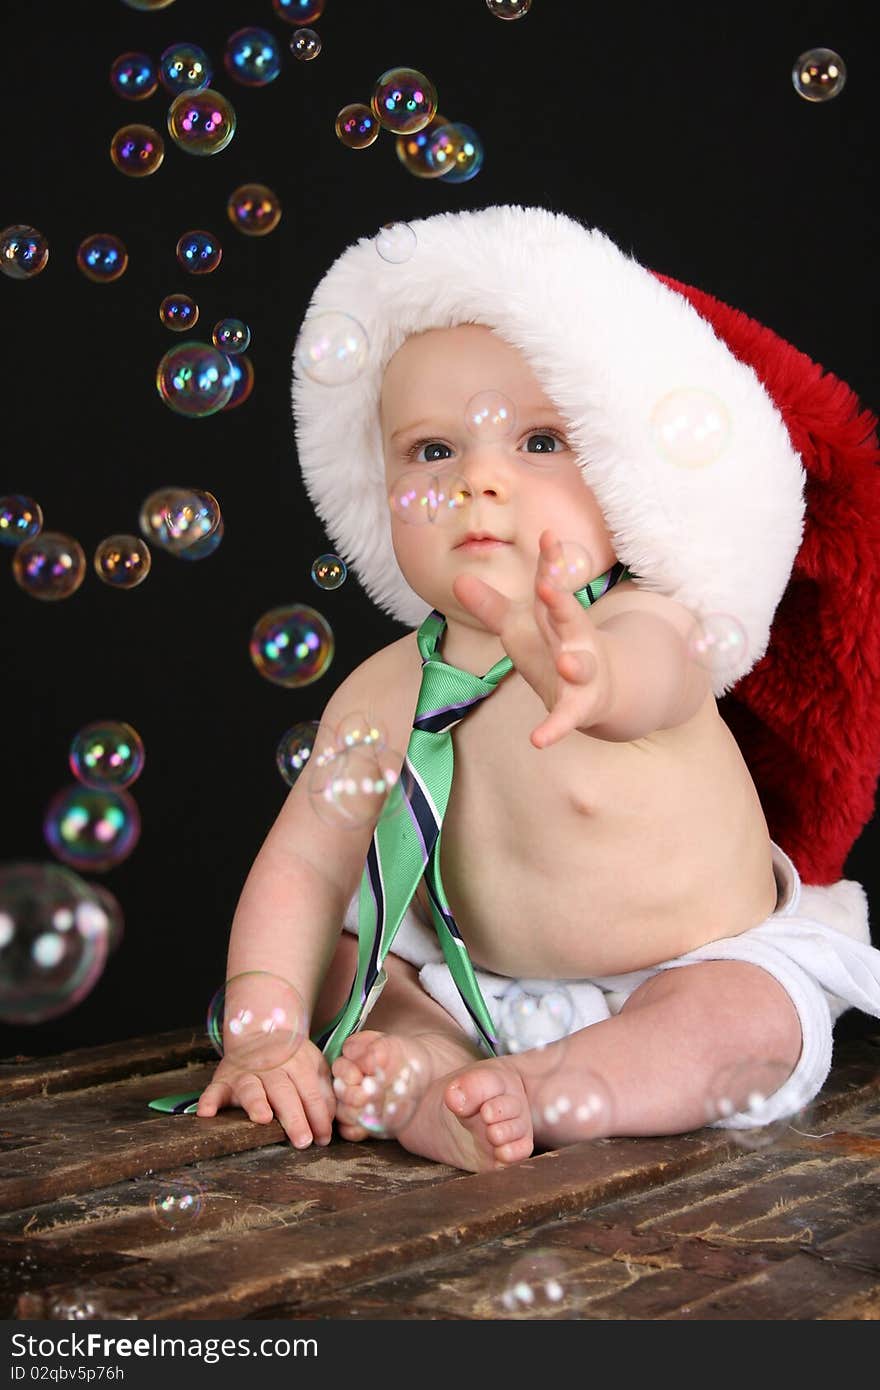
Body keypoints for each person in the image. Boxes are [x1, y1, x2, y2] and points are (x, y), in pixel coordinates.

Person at [197, 205, 880, 1172]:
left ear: (625, 469)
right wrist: (263, 1029)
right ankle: (430, 1066)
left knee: (746, 1019)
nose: (480, 480)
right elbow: (306, 867)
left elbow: (661, 681)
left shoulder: (643, 623)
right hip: (473, 980)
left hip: (687, 969)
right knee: (351, 965)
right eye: (433, 451)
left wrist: (598, 681)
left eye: (541, 442)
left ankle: (556, 1089)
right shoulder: (382, 692)